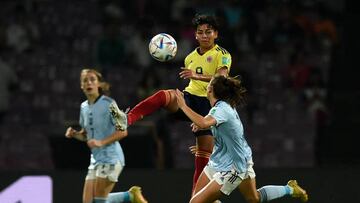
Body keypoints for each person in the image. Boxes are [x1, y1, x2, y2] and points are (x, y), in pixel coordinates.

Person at [123, 14, 231, 194]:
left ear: (216, 34)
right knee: (166, 95)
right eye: (200, 32)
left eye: (208, 32)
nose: (204, 36)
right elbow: (191, 84)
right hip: (189, 99)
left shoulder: (223, 54)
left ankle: (196, 196)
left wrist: (196, 76)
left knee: (204, 153)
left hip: (210, 105)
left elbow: (222, 78)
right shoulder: (189, 57)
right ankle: (128, 118)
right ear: (195, 36)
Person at [174, 75, 309, 203]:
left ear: (210, 90)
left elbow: (204, 122)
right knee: (254, 198)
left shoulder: (221, 110)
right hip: (220, 160)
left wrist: (183, 106)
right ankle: (290, 188)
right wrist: (202, 126)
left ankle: (289, 189)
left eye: (209, 84)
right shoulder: (220, 107)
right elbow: (222, 132)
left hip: (234, 167)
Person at [65, 69, 148, 203]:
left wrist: (101, 142)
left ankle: (130, 197)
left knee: (99, 201)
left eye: (92, 79)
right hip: (96, 160)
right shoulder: (84, 107)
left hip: (111, 158)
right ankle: (130, 196)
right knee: (88, 202)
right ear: (81, 86)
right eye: (85, 80)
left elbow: (123, 131)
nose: (89, 83)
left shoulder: (109, 104)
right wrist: (75, 134)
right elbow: (87, 136)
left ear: (99, 84)